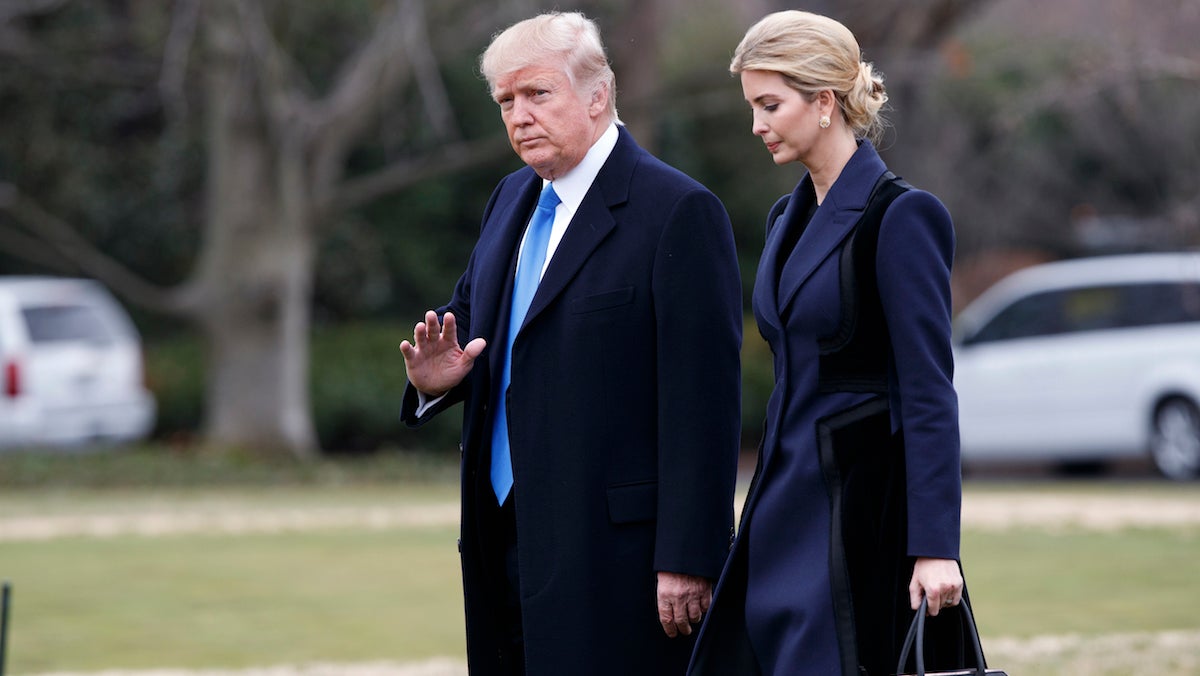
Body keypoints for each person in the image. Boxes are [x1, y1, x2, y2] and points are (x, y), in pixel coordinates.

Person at [398, 11, 742, 676]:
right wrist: (432, 382)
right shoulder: (510, 199)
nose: (519, 115)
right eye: (506, 101)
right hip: (502, 537)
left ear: (598, 95)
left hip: (619, 555)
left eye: (537, 94)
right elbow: (472, 329)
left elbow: (703, 401)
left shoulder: (677, 210)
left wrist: (690, 555)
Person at [688, 10, 976, 676]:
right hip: (778, 501)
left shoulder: (903, 217)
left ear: (824, 102)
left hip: (858, 519)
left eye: (769, 105)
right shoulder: (785, 217)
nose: (756, 124)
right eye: (752, 106)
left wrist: (936, 546)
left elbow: (931, 393)